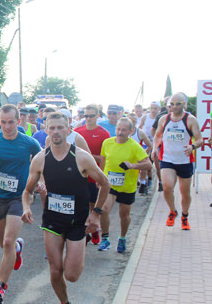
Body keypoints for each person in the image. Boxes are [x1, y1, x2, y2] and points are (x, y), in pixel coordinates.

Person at [22, 112, 109, 304]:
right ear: (46, 131)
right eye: (52, 128)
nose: (56, 132)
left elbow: (105, 184)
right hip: (52, 221)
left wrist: (96, 213)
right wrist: (26, 206)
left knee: (71, 275)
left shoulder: (81, 157)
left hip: (77, 222)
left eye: (60, 128)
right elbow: (27, 191)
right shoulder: (41, 159)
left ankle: (85, 243)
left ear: (69, 130)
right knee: (54, 270)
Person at [0, 104, 42, 304]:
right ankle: (18, 247)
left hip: (20, 197)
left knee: (6, 243)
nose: (6, 126)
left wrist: (42, 182)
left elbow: (42, 163)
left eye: (10, 122)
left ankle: (1, 287)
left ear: (18, 119)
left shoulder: (29, 143)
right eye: (3, 122)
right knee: (7, 241)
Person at [97, 117, 151, 253]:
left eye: (124, 130)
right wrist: (101, 178)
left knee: (124, 214)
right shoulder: (107, 143)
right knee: (103, 209)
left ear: (131, 131)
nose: (120, 132)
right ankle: (105, 238)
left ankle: (122, 238)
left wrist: (133, 165)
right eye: (118, 129)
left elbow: (148, 164)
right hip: (109, 184)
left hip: (127, 185)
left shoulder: (134, 146)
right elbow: (103, 161)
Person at [153, 93, 204, 230]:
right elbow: (157, 136)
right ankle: (172, 211)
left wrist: (192, 146)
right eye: (172, 104)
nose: (174, 107)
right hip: (167, 159)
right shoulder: (164, 119)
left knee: (184, 192)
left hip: (185, 160)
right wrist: (154, 149)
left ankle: (185, 216)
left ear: (184, 104)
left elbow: (200, 140)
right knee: (167, 186)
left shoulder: (191, 119)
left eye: (178, 104)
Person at [73, 104, 111, 245]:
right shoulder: (77, 131)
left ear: (97, 116)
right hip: (78, 175)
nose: (88, 118)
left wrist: (99, 175)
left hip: (93, 175)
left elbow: (104, 158)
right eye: (85, 115)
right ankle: (82, 232)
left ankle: (94, 230)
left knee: (92, 206)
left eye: (91, 115)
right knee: (79, 205)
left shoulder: (103, 133)